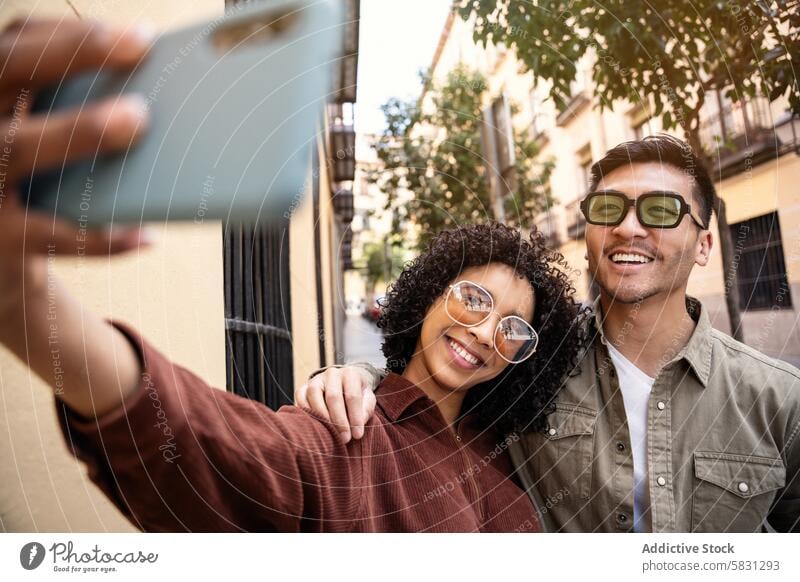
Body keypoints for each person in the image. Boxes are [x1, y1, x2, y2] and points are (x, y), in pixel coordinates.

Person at [298, 135, 800, 533]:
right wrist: (358, 377)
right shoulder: (531, 363)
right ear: (589, 236)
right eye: (608, 209)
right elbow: (449, 371)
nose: (628, 228)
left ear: (705, 244)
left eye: (662, 211)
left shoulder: (778, 399)